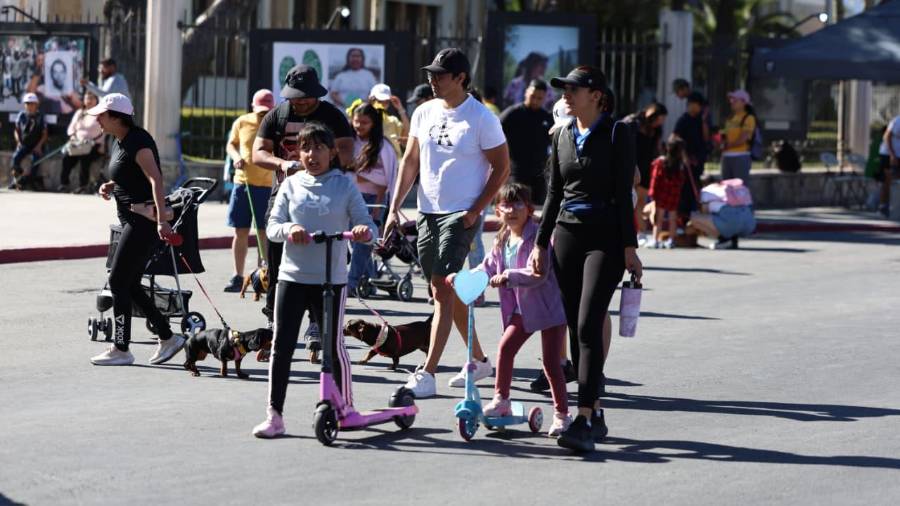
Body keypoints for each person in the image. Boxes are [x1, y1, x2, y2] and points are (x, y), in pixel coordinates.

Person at [384, 48, 510, 398]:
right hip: (428, 211)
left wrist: (476, 210)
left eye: (440, 74)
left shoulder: (482, 118)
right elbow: (410, 162)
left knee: (441, 288)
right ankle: (481, 361)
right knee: (446, 292)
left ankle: (427, 373)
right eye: (431, 74)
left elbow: (502, 168)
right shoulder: (423, 111)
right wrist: (394, 206)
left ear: (460, 78)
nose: (432, 80)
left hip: (461, 214)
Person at [531, 66, 643, 452]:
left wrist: (630, 247)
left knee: (588, 322)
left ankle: (582, 417)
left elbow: (623, 192)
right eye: (564, 89)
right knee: (577, 325)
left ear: (596, 95)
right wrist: (540, 243)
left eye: (573, 89)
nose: (566, 94)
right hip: (567, 235)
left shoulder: (618, 133)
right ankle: (594, 412)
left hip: (607, 237)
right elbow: (553, 195)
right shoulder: (562, 134)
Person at [253, 122, 377, 438]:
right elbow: (272, 227)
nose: (311, 154)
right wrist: (289, 230)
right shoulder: (290, 185)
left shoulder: (345, 186)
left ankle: (345, 406)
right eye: (306, 148)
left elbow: (367, 226)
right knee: (282, 345)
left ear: (332, 152)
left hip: (330, 280)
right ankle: (274, 416)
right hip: (292, 278)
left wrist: (364, 232)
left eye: (319, 148)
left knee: (333, 346)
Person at [455, 183, 571, 436]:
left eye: (518, 204)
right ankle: (502, 401)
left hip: (549, 307)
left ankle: (563, 415)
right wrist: (462, 277)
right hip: (523, 308)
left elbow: (538, 274)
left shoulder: (538, 236)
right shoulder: (504, 238)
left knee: (552, 363)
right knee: (506, 348)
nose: (512, 210)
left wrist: (508, 276)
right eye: (506, 205)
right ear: (497, 211)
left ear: (529, 209)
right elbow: (487, 266)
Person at [251, 64, 354, 336]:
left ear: (317, 94)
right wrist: (283, 164)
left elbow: (346, 149)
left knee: (325, 255)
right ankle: (274, 315)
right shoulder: (277, 115)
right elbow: (258, 153)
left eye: (307, 96)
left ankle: (317, 320)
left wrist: (322, 163)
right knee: (275, 256)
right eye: (297, 96)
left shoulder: (332, 115)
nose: (302, 101)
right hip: (285, 193)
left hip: (326, 193)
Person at [87, 93, 187, 366]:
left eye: (102, 115)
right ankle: (168, 337)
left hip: (142, 222)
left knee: (118, 281)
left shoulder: (138, 141)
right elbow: (130, 175)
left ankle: (121, 348)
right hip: (131, 219)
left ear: (117, 117)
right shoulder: (119, 141)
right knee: (128, 283)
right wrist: (112, 186)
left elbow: (155, 179)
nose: (97, 118)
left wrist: (162, 222)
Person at [223, 89, 276, 293]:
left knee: (264, 232)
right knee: (241, 230)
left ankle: (263, 275)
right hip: (243, 183)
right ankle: (238, 275)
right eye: (261, 110)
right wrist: (236, 157)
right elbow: (231, 144)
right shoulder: (242, 121)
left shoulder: (276, 124)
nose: (264, 114)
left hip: (266, 185)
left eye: (268, 110)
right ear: (253, 106)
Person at [347, 103, 398, 295]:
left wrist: (383, 207)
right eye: (356, 121)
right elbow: (346, 171)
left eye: (364, 122)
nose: (359, 126)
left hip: (375, 200)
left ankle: (350, 284)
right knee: (357, 243)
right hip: (352, 197)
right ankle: (370, 280)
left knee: (364, 241)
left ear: (374, 123)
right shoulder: (349, 142)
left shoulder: (383, 146)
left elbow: (387, 179)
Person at [500, 79, 554, 205]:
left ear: (544, 98)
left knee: (538, 211)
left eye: (539, 98)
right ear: (526, 93)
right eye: (532, 96)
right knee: (515, 206)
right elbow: (494, 133)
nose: (535, 100)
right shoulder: (512, 114)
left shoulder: (546, 117)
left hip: (539, 175)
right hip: (517, 173)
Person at [624, 102, 667, 244]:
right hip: (630, 164)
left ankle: (640, 232)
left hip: (646, 167)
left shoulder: (656, 130)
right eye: (660, 119)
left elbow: (656, 147)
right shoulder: (633, 122)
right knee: (629, 200)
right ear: (652, 115)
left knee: (641, 200)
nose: (660, 123)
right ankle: (629, 232)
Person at [686, 176, 756, 249]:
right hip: (749, 224)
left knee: (694, 218)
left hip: (731, 222)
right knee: (725, 219)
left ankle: (724, 240)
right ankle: (732, 240)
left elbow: (705, 212)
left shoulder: (707, 191)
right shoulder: (732, 188)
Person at [674, 91, 711, 217]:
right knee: (685, 188)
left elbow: (706, 138)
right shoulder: (684, 120)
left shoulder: (701, 120)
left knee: (696, 184)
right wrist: (683, 155)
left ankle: (694, 212)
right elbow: (675, 137)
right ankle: (683, 214)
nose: (697, 108)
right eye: (695, 105)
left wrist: (704, 121)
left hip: (698, 158)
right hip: (685, 159)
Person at [59, 91, 105, 193]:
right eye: (87, 98)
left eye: (91, 98)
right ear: (84, 100)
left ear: (96, 100)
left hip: (94, 145)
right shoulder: (79, 113)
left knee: (85, 158)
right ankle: (64, 184)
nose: (89, 101)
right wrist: (72, 136)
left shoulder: (100, 114)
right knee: (66, 158)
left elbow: (104, 131)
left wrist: (94, 142)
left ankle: (83, 186)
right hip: (77, 144)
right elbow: (71, 127)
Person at [648, 134, 688, 249]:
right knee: (672, 218)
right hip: (674, 194)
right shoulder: (680, 165)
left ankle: (655, 239)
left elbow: (655, 179)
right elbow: (681, 180)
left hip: (661, 193)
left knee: (658, 218)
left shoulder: (660, 162)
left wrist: (652, 194)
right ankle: (671, 240)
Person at [9, 93, 48, 191]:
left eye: (32, 104)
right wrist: (18, 141)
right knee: (15, 159)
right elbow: (16, 130)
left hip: (36, 145)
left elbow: (44, 134)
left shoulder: (40, 117)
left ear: (36, 104)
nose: (29, 106)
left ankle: (28, 181)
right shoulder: (21, 115)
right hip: (24, 144)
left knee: (35, 162)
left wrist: (39, 146)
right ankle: (18, 180)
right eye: (27, 104)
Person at [720, 89, 756, 182]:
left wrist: (727, 145)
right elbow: (724, 135)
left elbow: (743, 139)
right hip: (726, 156)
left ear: (744, 102)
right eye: (731, 100)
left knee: (740, 189)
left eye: (735, 100)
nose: (731, 102)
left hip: (741, 157)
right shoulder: (730, 118)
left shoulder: (749, 118)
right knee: (726, 188)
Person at [877, 114, 900, 217]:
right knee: (887, 180)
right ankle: (882, 207)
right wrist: (892, 155)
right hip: (887, 154)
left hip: (898, 154)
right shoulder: (897, 121)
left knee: (897, 180)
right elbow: (887, 136)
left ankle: (894, 206)